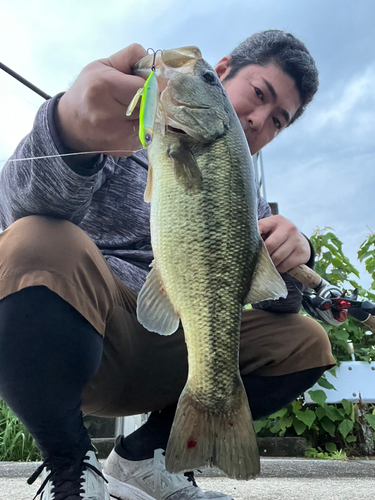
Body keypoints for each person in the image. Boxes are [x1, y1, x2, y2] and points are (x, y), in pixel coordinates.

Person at [0, 30, 335, 500]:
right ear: (220, 74)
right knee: (32, 239)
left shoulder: (250, 202)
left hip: (180, 350)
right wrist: (70, 128)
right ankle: (71, 468)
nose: (259, 120)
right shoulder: (115, 133)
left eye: (278, 120)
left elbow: (278, 303)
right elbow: (17, 210)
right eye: (259, 94)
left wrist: (298, 253)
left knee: (307, 342)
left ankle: (143, 458)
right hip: (89, 342)